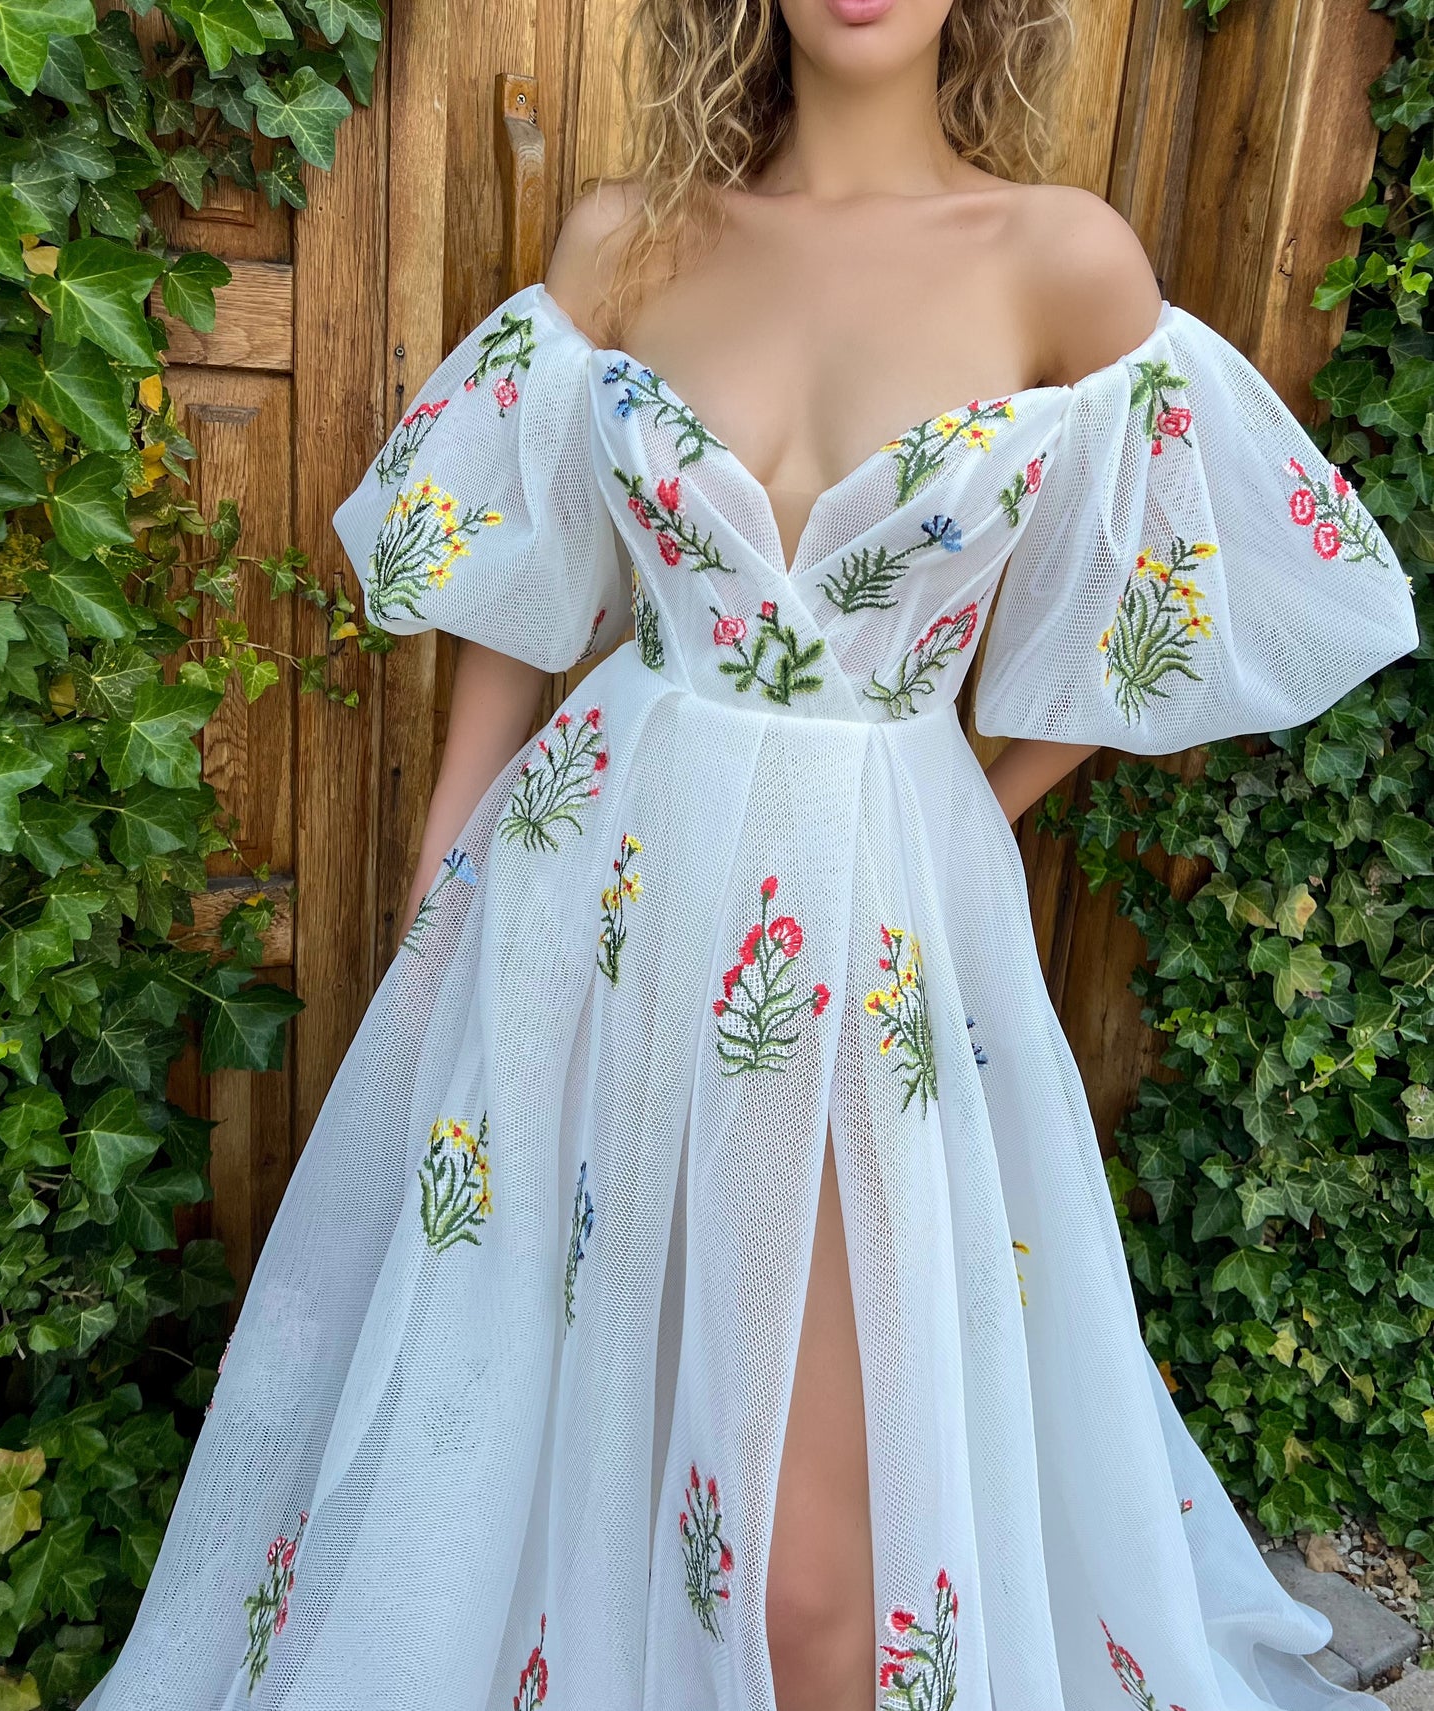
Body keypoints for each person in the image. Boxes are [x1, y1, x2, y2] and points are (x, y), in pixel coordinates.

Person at [81, 1, 1419, 1708]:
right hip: (593, 911)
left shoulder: (1057, 257)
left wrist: (949, 813)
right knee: (562, 1410)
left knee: (813, 1579)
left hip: (855, 952)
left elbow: (1188, 582)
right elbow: (515, 593)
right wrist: (445, 891)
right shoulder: (628, 242)